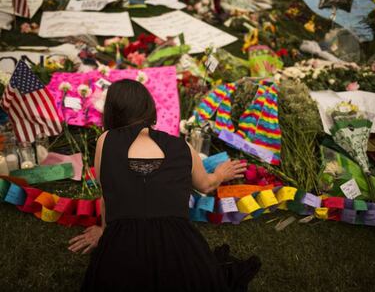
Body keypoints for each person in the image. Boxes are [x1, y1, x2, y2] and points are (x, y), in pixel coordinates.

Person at [68, 79, 261, 291]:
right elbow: (206, 186)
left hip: (123, 245)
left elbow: (109, 192)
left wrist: (105, 230)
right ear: (149, 107)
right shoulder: (183, 146)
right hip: (179, 246)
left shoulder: (106, 140)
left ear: (111, 111)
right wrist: (220, 173)